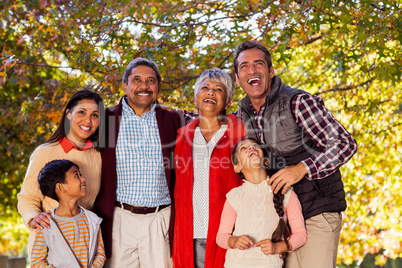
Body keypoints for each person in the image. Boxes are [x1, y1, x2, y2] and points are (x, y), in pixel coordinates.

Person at [232, 40, 358, 268]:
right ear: (237, 78)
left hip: (316, 211)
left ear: (270, 71)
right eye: (244, 66)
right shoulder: (241, 115)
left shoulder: (298, 102)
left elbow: (344, 143)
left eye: (258, 64)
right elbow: (207, 121)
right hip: (281, 221)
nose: (252, 70)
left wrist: (303, 168)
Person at [94, 58, 183, 267]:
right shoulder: (105, 120)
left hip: (159, 218)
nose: (144, 86)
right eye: (137, 80)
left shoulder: (173, 119)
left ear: (159, 87)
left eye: (151, 80)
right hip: (118, 218)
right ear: (125, 85)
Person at [173, 68, 246, 268]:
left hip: (229, 234)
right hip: (190, 234)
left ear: (229, 101)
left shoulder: (239, 135)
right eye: (205, 88)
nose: (211, 92)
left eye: (218, 89)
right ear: (196, 97)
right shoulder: (181, 137)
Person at [17, 89, 104, 257]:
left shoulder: (99, 156)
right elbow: (27, 198)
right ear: (69, 114)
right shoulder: (45, 152)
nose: (88, 120)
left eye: (95, 115)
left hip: (84, 247)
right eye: (82, 112)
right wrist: (33, 217)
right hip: (50, 245)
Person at [216, 138, 307, 268]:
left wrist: (277, 247)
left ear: (266, 161)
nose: (251, 148)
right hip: (235, 264)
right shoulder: (234, 196)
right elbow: (221, 237)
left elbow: (301, 235)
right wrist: (234, 241)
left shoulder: (286, 192)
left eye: (255, 146)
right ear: (237, 167)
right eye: (243, 148)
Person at [30, 159, 106, 268]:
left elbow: (100, 254)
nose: (83, 179)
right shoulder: (46, 224)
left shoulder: (92, 220)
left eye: (81, 175)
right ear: (60, 187)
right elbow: (37, 262)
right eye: (76, 175)